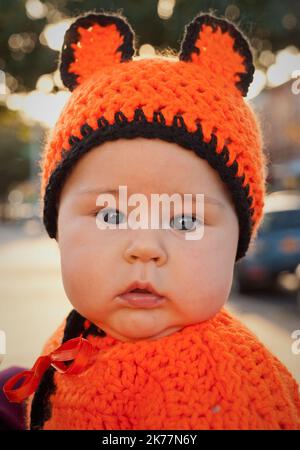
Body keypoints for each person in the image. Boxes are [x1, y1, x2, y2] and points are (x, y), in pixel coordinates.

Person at [3, 10, 300, 430]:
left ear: (238, 239)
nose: (144, 247)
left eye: (184, 222)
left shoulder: (224, 392)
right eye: (110, 215)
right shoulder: (77, 338)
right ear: (57, 227)